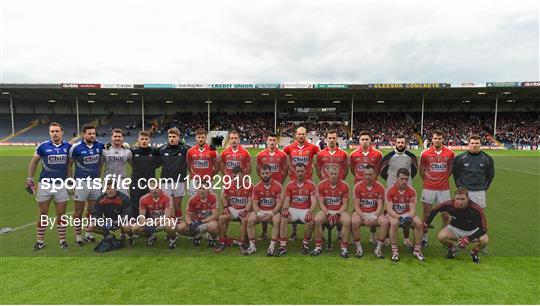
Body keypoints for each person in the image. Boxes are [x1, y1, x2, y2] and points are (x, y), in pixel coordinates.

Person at [26, 122, 72, 250]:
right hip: (45, 185)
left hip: (61, 185)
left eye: (57, 131)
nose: (55, 133)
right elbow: (34, 162)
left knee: (61, 214)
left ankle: (62, 241)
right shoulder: (43, 146)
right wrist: (30, 178)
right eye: (52, 131)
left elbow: (69, 164)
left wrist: (70, 180)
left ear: (62, 132)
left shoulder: (68, 146)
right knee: (43, 214)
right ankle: (40, 241)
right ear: (49, 133)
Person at [424, 188, 488, 263]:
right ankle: (452, 248)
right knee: (441, 236)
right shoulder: (449, 205)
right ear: (454, 198)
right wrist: (427, 223)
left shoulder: (476, 209)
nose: (459, 202)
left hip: (472, 230)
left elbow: (484, 229)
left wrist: (468, 238)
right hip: (454, 229)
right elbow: (435, 209)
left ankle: (474, 252)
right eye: (457, 199)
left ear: (468, 199)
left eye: (463, 199)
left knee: (484, 240)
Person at [68, 124, 105, 246]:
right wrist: (70, 182)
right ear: (84, 134)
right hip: (81, 182)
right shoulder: (76, 147)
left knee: (92, 209)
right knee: (78, 211)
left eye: (94, 133)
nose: (92, 135)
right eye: (89, 133)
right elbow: (69, 165)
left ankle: (89, 234)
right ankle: (78, 235)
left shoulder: (99, 145)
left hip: (95, 182)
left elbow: (100, 164)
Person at [380, 135, 418, 247]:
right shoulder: (388, 156)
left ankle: (406, 238)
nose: (400, 144)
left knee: (406, 212)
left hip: (407, 188)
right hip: (391, 188)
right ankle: (387, 238)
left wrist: (407, 181)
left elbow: (414, 170)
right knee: (388, 212)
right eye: (398, 142)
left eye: (402, 142)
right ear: (395, 143)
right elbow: (382, 171)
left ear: (406, 143)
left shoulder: (411, 156)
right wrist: (391, 182)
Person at [419, 130, 455, 247]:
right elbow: (422, 171)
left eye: (439, 138)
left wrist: (442, 179)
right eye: (435, 138)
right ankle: (424, 238)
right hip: (428, 188)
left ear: (443, 139)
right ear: (432, 139)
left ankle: (444, 238)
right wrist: (429, 180)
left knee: (445, 215)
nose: (437, 140)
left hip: (444, 189)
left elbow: (450, 169)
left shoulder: (449, 153)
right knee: (426, 214)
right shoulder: (425, 153)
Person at [283, 127, 319, 241]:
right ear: (295, 135)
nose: (301, 136)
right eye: (299, 134)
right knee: (293, 205)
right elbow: (282, 157)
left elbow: (322, 156)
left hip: (308, 182)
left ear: (306, 135)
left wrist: (315, 164)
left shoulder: (313, 147)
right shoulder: (289, 148)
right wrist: (288, 165)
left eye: (303, 134)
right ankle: (294, 232)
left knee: (308, 206)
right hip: (293, 181)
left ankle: (309, 234)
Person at [276, 163, 317, 256]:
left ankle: (305, 244)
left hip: (305, 209)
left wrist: (310, 212)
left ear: (305, 171)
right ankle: (282, 246)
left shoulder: (311, 185)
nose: (300, 173)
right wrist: (285, 209)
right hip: (293, 209)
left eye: (302, 171)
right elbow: (287, 199)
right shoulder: (290, 185)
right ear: (295, 172)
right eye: (298, 171)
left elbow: (314, 201)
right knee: (283, 218)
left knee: (310, 220)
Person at [386, 168, 425, 262]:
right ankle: (394, 251)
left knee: (419, 223)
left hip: (407, 213)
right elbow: (389, 209)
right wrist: (400, 218)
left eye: (406, 179)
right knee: (394, 223)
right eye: (402, 178)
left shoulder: (412, 191)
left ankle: (417, 250)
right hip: (393, 214)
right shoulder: (389, 190)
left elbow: (412, 209)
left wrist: (408, 217)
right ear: (397, 178)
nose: (404, 181)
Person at [311, 165, 351, 258]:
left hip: (339, 211)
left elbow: (345, 204)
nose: (333, 176)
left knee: (348, 221)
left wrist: (337, 214)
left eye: (335, 174)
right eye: (331, 174)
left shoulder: (345, 185)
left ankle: (344, 248)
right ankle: (318, 247)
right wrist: (328, 214)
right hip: (327, 210)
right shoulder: (321, 185)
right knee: (317, 220)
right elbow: (321, 203)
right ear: (327, 174)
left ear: (339, 174)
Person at [351, 165, 389, 259]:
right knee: (354, 221)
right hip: (361, 213)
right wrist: (364, 217)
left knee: (385, 222)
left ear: (375, 175)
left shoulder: (380, 187)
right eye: (366, 174)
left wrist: (374, 217)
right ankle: (359, 248)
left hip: (375, 213)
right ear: (363, 175)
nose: (368, 177)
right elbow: (356, 205)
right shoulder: (357, 186)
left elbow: (380, 205)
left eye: (370, 174)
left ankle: (378, 249)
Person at [256, 132, 288, 240]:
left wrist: (281, 182)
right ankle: (264, 233)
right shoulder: (261, 155)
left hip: (277, 188)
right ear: (266, 141)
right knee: (264, 207)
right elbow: (258, 169)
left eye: (274, 140)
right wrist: (263, 180)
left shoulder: (282, 155)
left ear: (276, 142)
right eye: (270, 140)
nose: (272, 142)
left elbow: (285, 169)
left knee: (278, 209)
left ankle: (278, 234)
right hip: (264, 186)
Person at [245, 164, 283, 256]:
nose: (265, 175)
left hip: (273, 211)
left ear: (271, 173)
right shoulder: (257, 187)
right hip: (261, 211)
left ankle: (272, 247)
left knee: (277, 221)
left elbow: (279, 204)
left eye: (267, 173)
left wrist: (272, 213)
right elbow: (254, 203)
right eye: (263, 173)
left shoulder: (278, 186)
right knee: (250, 220)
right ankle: (252, 246)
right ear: (260, 174)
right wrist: (259, 213)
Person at [215, 166, 253, 253]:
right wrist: (225, 207)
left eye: (238, 176)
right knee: (222, 218)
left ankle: (241, 243)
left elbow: (250, 201)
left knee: (244, 220)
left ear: (243, 175)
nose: (236, 179)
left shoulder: (249, 186)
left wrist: (246, 210)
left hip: (244, 209)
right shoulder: (229, 185)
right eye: (234, 177)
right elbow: (223, 197)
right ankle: (222, 242)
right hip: (233, 209)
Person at [452, 135, 495, 209]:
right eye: (472, 143)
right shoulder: (460, 158)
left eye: (477, 143)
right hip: (464, 191)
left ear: (480, 144)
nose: (474, 145)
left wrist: (484, 187)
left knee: (478, 215)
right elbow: (455, 173)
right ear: (468, 144)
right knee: (462, 214)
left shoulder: (487, 158)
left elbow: (490, 175)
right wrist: (459, 186)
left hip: (479, 191)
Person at [159, 128, 190, 220]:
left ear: (178, 137)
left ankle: (178, 225)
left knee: (177, 205)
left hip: (179, 181)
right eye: (170, 137)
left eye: (174, 137)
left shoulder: (185, 149)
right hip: (165, 182)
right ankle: (170, 227)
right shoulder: (162, 149)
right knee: (168, 205)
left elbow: (198, 149)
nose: (172, 138)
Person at [130, 131, 160, 219]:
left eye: (146, 139)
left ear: (149, 140)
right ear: (138, 139)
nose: (144, 141)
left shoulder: (154, 152)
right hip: (136, 182)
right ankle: (136, 225)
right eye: (142, 139)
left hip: (150, 183)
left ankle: (148, 227)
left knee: (149, 204)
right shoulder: (133, 151)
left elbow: (158, 164)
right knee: (135, 204)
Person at [180, 183, 219, 248]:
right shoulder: (193, 199)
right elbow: (187, 215)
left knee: (213, 226)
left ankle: (212, 238)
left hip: (209, 222)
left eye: (204, 188)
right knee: (180, 228)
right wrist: (190, 224)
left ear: (208, 189)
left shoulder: (213, 197)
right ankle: (196, 235)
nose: (201, 190)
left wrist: (200, 222)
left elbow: (215, 216)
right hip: (197, 223)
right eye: (199, 188)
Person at [186, 128, 220, 197]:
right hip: (195, 180)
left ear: (206, 137)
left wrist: (211, 175)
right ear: (195, 137)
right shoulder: (190, 151)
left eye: (202, 137)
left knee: (209, 202)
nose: (200, 139)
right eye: (199, 137)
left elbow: (217, 166)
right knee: (193, 201)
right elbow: (188, 165)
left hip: (208, 180)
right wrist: (193, 174)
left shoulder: (212, 150)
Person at [102, 128, 132, 197]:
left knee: (124, 202)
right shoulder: (105, 150)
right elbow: (100, 166)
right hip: (108, 179)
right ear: (111, 138)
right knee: (105, 202)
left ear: (122, 138)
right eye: (115, 136)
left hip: (122, 180)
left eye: (119, 136)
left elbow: (133, 165)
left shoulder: (127, 152)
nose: (117, 138)